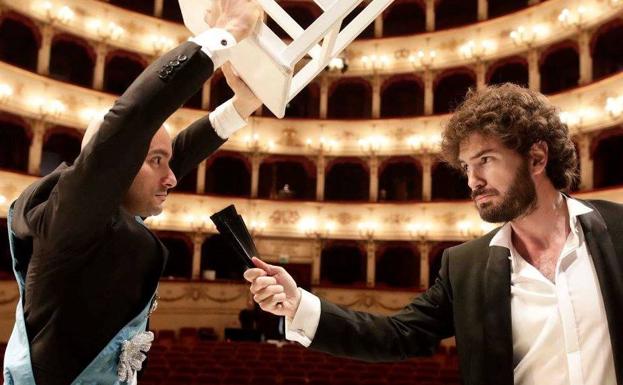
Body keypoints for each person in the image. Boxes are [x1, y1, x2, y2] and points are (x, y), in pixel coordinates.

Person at [244, 83, 623, 385]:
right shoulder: (465, 266)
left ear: (537, 158)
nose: (473, 181)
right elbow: (395, 335)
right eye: (466, 166)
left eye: (485, 160)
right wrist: (297, 305)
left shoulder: (618, 229)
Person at [3, 1, 262, 384]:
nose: (172, 178)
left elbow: (175, 154)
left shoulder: (103, 215)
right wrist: (224, 35)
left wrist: (241, 106)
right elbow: (133, 121)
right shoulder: (69, 220)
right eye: (156, 161)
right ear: (115, 164)